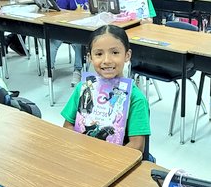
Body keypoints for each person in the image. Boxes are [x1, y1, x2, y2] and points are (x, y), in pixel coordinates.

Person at [62, 25, 152, 159]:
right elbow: (67, 126)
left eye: (115, 53)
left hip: (116, 163)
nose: (107, 61)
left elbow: (137, 146)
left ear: (127, 55)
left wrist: (106, 161)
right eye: (98, 54)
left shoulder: (136, 98)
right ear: (90, 58)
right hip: (83, 157)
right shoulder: (84, 88)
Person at [51, 0, 88, 85]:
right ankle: (50, 67)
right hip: (63, 30)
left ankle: (78, 70)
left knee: (79, 45)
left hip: (79, 30)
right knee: (53, 43)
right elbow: (58, 17)